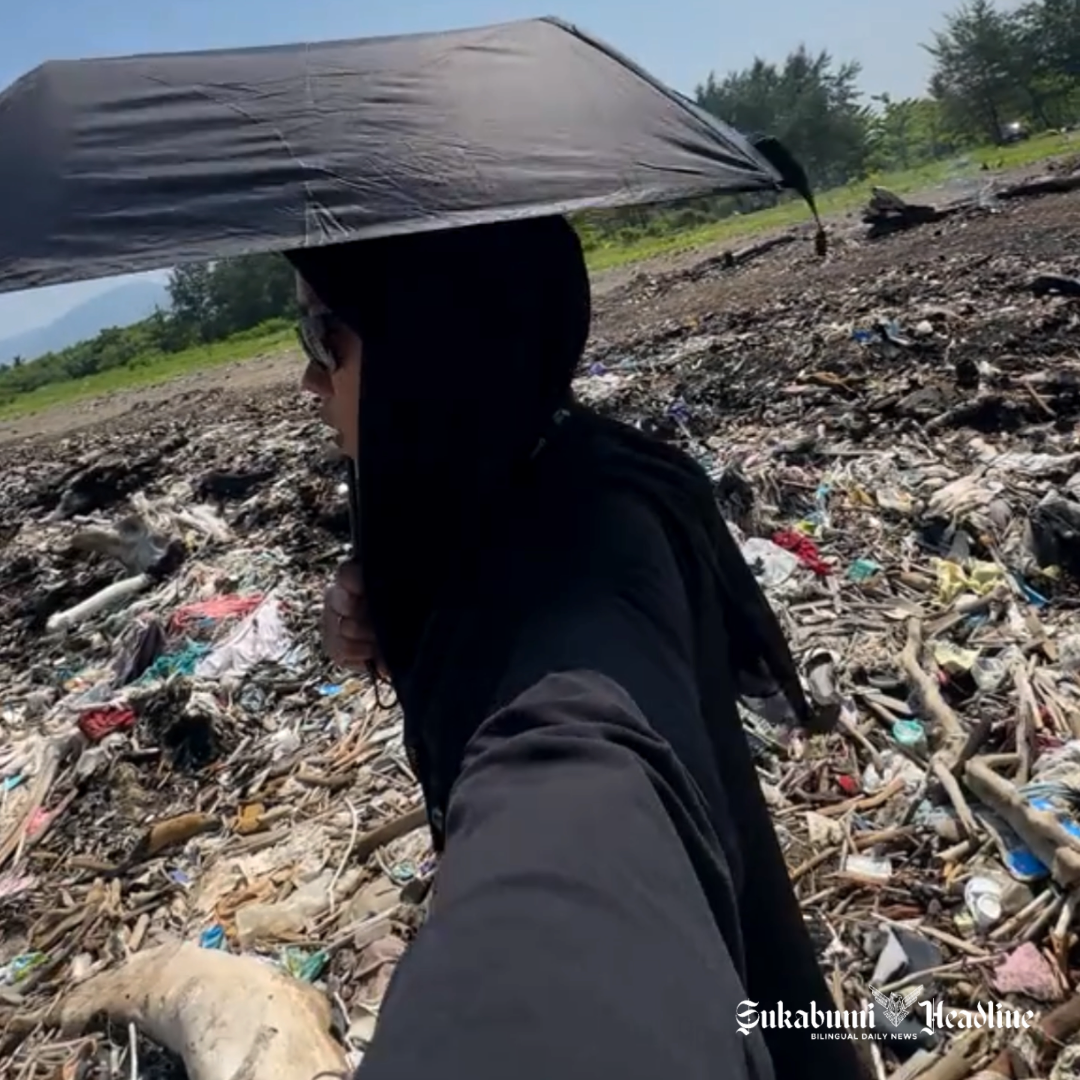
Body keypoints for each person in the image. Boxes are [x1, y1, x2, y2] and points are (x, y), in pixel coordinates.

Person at [287, 218, 867, 1080]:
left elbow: (576, 782)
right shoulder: (548, 471)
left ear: (429, 337)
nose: (306, 380)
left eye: (321, 337)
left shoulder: (586, 566)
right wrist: (384, 625)